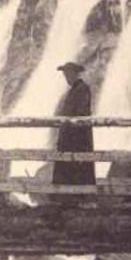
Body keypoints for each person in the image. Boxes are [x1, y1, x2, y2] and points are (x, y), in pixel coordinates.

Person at [52, 61, 96, 196]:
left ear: (75, 74)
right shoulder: (73, 90)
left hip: (78, 137)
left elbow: (81, 112)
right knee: (68, 166)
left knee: (78, 165)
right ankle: (67, 197)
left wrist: (69, 124)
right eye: (65, 74)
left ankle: (78, 196)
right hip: (69, 136)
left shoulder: (83, 89)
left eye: (69, 74)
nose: (66, 77)